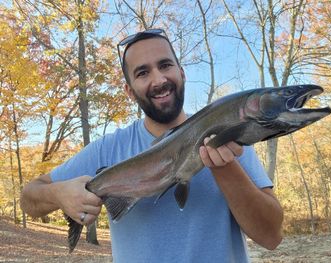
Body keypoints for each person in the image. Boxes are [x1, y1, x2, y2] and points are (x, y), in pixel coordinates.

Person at [20, 28, 283, 263]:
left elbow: (271, 237)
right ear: (129, 90)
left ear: (181, 72)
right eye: (143, 72)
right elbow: (29, 199)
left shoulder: (231, 135)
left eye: (165, 65)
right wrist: (58, 194)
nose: (158, 80)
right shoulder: (108, 149)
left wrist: (224, 166)